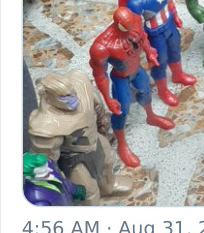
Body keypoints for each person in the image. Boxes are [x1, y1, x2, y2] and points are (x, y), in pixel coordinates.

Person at [28, 70, 133, 205]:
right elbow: (46, 161)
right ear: (49, 97)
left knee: (106, 164)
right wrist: (59, 181)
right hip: (74, 158)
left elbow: (96, 104)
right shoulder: (45, 125)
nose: (72, 99)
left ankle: (108, 187)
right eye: (64, 97)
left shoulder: (80, 85)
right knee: (87, 190)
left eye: (72, 93)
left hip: (95, 139)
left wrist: (102, 124)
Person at [89, 8, 174, 168]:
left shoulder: (134, 23)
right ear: (117, 24)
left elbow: (144, 37)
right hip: (121, 76)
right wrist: (108, 98)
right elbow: (100, 74)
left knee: (146, 90)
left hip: (137, 69)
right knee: (122, 109)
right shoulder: (102, 46)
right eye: (125, 27)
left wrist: (150, 53)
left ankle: (151, 116)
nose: (129, 30)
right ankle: (122, 144)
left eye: (131, 25)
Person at [119, 0, 196, 105]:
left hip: (169, 24)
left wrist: (176, 16)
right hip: (154, 33)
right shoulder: (136, 1)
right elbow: (136, 27)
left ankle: (178, 75)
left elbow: (169, 1)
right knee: (159, 61)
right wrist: (148, 49)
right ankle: (163, 91)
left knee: (175, 50)